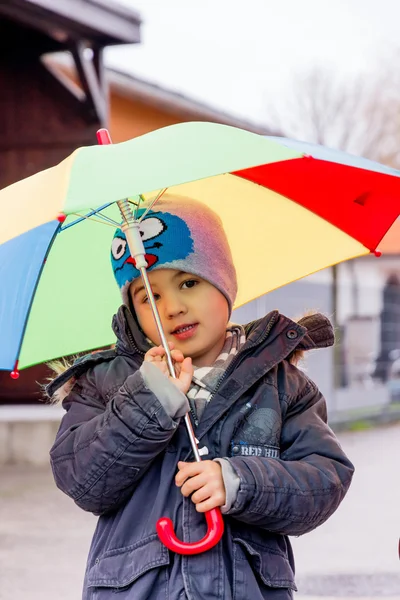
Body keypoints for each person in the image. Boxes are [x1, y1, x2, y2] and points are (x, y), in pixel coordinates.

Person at [48, 195, 354, 600]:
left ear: (224, 283)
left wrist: (241, 482)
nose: (172, 307)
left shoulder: (279, 383)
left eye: (188, 283)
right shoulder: (109, 380)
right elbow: (83, 480)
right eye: (149, 296)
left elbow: (325, 478)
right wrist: (147, 400)